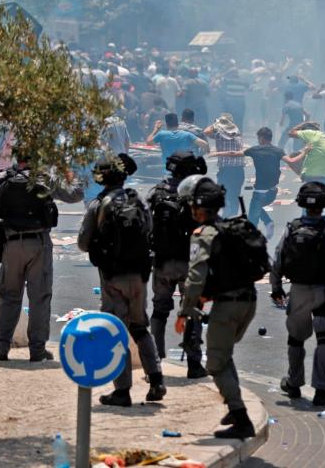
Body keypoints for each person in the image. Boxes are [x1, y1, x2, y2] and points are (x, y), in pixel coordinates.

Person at [176, 175, 266, 438]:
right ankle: (232, 403)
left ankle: (241, 420)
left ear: (198, 208)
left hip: (227, 307)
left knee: (215, 364)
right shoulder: (232, 228)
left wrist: (184, 311)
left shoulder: (204, 234)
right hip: (247, 301)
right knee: (224, 355)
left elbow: (195, 277)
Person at [77, 154, 166, 406]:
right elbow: (149, 232)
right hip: (139, 275)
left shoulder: (98, 205)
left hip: (112, 278)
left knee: (115, 332)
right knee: (140, 327)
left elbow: (83, 243)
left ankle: (122, 390)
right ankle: (157, 379)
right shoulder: (137, 200)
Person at [0, 153, 83, 362]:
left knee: (10, 296)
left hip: (10, 244)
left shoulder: (0, 179)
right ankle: (37, 349)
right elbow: (76, 194)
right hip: (38, 243)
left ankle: (2, 347)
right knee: (39, 298)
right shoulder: (44, 179)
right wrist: (68, 172)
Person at [272, 182, 325, 406]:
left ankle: (293, 383)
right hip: (324, 292)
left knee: (295, 339)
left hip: (297, 291)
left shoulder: (291, 229)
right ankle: (321, 389)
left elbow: (278, 258)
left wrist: (276, 287)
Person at [146, 151, 208, 378]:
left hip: (162, 262)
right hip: (190, 263)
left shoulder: (157, 192)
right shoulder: (197, 194)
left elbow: (147, 225)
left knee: (159, 310)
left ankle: (155, 362)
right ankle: (194, 363)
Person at [239, 127, 286, 240]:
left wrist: (218, 153)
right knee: (256, 208)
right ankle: (267, 223)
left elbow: (235, 153)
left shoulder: (255, 150)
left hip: (260, 192)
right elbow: (290, 160)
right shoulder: (278, 150)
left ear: (262, 138)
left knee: (252, 218)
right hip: (273, 191)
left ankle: (253, 241)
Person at [205, 114, 245, 218]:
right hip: (238, 171)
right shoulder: (238, 134)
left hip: (226, 171)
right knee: (234, 195)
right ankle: (233, 217)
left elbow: (206, 131)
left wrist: (215, 124)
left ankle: (227, 218)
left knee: (225, 195)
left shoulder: (219, 134)